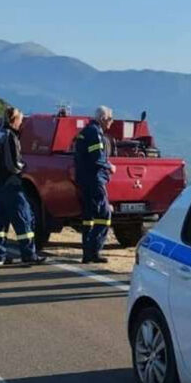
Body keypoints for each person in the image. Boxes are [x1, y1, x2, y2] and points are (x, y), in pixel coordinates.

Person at [0, 107, 47, 266]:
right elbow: (13, 164)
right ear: (14, 120)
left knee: (0, 222)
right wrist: (24, 167)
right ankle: (29, 254)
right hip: (11, 184)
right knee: (23, 218)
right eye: (20, 119)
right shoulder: (10, 136)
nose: (22, 123)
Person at [75, 105, 115, 264]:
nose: (112, 122)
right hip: (94, 179)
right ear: (103, 119)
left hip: (84, 180)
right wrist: (109, 166)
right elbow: (97, 158)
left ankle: (87, 254)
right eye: (110, 118)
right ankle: (94, 250)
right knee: (104, 215)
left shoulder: (86, 131)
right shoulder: (94, 133)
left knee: (89, 217)